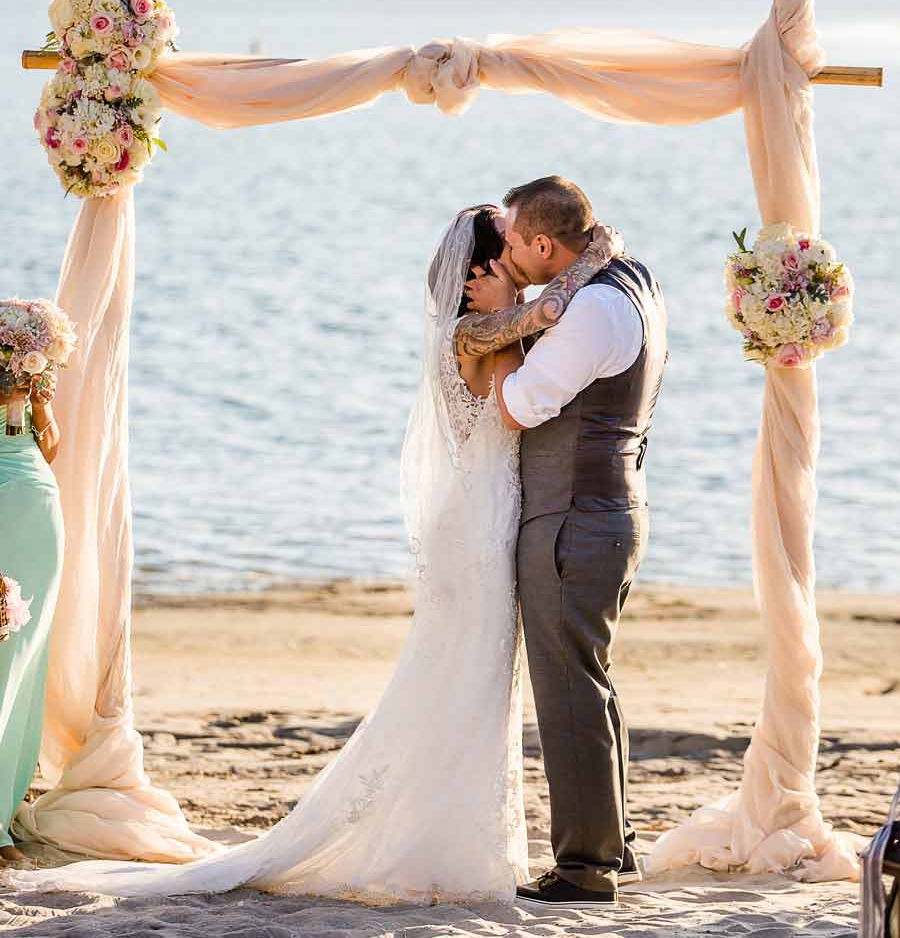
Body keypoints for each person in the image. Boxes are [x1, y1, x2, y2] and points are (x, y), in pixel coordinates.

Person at [9, 203, 622, 903]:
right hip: (479, 526)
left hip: (484, 515)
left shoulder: (490, 320)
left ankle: (457, 836)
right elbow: (513, 378)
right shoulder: (475, 330)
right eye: (506, 247)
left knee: (474, 680)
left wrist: (551, 281)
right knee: (467, 678)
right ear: (482, 268)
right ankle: (444, 848)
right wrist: (575, 269)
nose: (517, 253)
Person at [464, 176, 667, 910]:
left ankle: (585, 868)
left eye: (516, 241)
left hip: (574, 518)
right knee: (590, 679)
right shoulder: (631, 279)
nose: (510, 251)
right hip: (609, 508)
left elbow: (517, 407)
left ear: (545, 244)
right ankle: (616, 847)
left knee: (569, 690)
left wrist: (506, 321)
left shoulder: (591, 312)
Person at [0, 370, 64, 866]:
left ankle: (3, 809)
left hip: (38, 510)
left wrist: (38, 404)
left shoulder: (24, 362)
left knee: (23, 662)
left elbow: (49, 450)